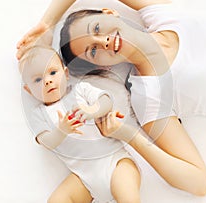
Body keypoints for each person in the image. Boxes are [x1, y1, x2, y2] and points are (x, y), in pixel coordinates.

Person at [15, 0, 206, 196]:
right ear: (103, 67)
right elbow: (198, 182)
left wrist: (48, 24)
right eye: (93, 51)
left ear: (109, 13)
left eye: (96, 28)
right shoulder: (150, 96)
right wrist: (129, 135)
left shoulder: (163, 16)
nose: (103, 40)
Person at [19, 45, 141, 203]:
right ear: (29, 90)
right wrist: (61, 131)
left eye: (53, 73)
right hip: (83, 177)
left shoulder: (80, 90)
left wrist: (93, 111)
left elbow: (106, 100)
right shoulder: (39, 114)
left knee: (127, 194)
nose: (48, 81)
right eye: (38, 79)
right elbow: (46, 141)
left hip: (115, 161)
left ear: (66, 73)